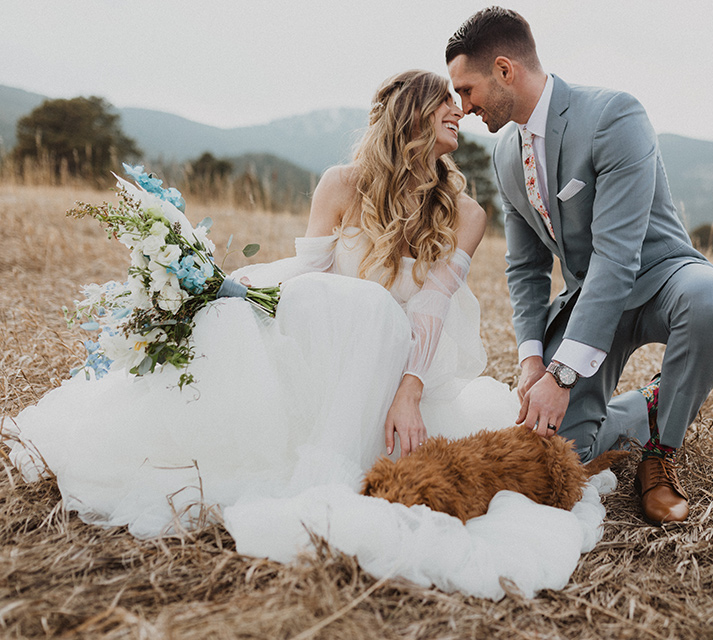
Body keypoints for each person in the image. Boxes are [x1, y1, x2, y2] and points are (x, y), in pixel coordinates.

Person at [1, 70, 615, 600]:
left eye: (460, 101)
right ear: (408, 115)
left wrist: (407, 390)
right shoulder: (341, 185)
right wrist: (229, 292)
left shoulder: (466, 213)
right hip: (325, 355)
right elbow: (309, 280)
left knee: (380, 313)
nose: (459, 110)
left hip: (407, 366)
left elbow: (429, 311)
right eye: (442, 101)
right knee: (286, 323)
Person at [446, 8, 713, 526]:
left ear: (505, 69)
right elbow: (526, 269)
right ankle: (650, 406)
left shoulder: (613, 115)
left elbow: (618, 255)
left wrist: (562, 375)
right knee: (561, 454)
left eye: (467, 90)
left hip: (663, 276)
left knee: (710, 299)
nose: (463, 107)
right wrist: (533, 361)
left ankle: (661, 456)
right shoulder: (504, 156)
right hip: (592, 302)